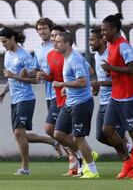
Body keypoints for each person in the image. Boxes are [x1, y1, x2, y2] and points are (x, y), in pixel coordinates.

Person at [0, 27, 57, 175]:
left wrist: (14, 76)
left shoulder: (24, 56)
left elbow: (34, 80)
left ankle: (25, 168)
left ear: (12, 38)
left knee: (19, 132)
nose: (3, 44)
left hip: (26, 98)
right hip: (14, 99)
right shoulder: (7, 55)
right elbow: (10, 78)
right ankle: (52, 141)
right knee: (19, 135)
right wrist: (4, 92)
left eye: (5, 41)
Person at [100, 13, 133, 180]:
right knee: (107, 129)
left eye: (105, 30)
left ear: (114, 29)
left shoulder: (124, 46)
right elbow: (114, 70)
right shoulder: (110, 44)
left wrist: (111, 68)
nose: (103, 33)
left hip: (131, 97)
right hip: (117, 95)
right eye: (101, 30)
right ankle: (128, 162)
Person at [50, 32, 98, 179]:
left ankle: (92, 170)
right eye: (55, 41)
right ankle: (86, 154)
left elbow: (83, 81)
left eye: (58, 42)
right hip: (70, 102)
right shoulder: (69, 57)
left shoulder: (74, 59)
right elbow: (89, 71)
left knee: (78, 137)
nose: (55, 44)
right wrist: (69, 87)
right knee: (58, 134)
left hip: (81, 103)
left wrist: (63, 84)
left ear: (67, 44)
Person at [33, 18, 62, 158]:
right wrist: (29, 73)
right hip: (49, 93)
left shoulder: (58, 47)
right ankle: (74, 159)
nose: (41, 31)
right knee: (58, 129)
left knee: (51, 128)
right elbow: (35, 69)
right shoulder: (38, 50)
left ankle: (78, 155)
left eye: (44, 28)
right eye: (39, 29)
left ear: (50, 29)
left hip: (60, 92)